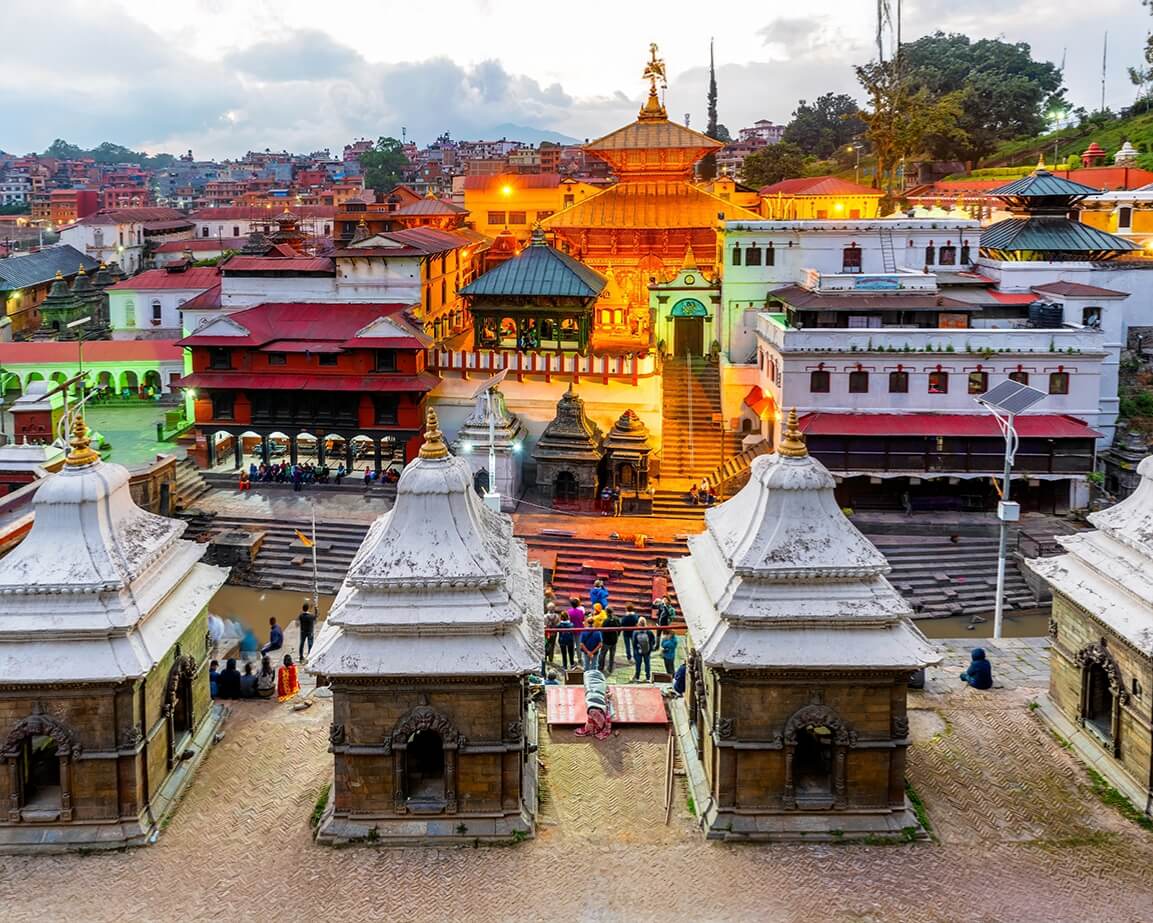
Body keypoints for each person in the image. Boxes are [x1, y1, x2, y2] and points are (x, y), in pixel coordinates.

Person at [632, 617, 655, 683]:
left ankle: (637, 677)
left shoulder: (636, 632)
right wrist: (650, 648)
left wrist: (635, 650)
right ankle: (648, 677)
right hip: (647, 651)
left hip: (638, 651)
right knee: (647, 664)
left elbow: (634, 643)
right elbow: (653, 641)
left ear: (638, 623)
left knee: (638, 664)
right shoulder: (649, 631)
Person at [601, 607, 621, 673]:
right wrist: (617, 635)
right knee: (612, 655)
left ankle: (601, 667)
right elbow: (619, 629)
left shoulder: (606, 621)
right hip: (614, 640)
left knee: (603, 654)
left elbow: (602, 630)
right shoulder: (617, 619)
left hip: (606, 641)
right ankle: (610, 669)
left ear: (606, 612)